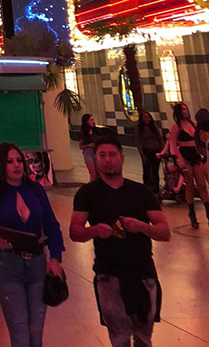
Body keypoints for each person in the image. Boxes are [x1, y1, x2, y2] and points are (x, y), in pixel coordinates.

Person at [70, 133, 170, 347]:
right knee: (120, 338)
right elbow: (75, 231)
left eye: (113, 155)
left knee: (144, 337)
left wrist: (141, 226)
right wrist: (95, 230)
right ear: (95, 159)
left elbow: (164, 231)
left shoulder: (141, 192)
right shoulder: (87, 194)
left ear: (122, 158)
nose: (108, 160)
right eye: (103, 155)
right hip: (109, 275)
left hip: (143, 273)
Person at [0, 143, 64, 347]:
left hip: (37, 264)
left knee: (36, 331)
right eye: (9, 162)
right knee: (19, 330)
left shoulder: (36, 190)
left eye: (19, 160)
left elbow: (51, 225)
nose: (16, 166)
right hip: (8, 266)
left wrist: (55, 258)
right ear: (1, 166)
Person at [161, 102, 209, 228]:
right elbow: (172, 144)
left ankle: (208, 212)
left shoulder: (193, 124)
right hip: (185, 157)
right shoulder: (176, 127)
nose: (185, 111)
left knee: (202, 185)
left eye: (185, 109)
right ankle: (192, 213)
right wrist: (178, 159)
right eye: (182, 109)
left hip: (196, 157)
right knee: (190, 186)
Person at [136, 113, 163, 195]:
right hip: (146, 151)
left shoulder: (154, 127)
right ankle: (147, 188)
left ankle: (156, 189)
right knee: (146, 171)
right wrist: (142, 155)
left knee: (155, 171)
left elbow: (159, 138)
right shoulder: (139, 128)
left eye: (148, 117)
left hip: (155, 151)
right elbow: (138, 142)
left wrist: (162, 151)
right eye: (145, 117)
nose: (147, 119)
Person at [80, 114, 98, 182]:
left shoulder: (95, 131)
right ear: (87, 121)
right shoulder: (84, 132)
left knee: (98, 173)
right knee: (93, 174)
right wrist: (89, 145)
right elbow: (81, 146)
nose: (93, 121)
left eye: (93, 120)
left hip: (96, 152)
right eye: (91, 120)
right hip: (88, 153)